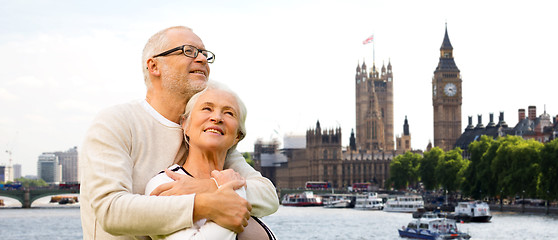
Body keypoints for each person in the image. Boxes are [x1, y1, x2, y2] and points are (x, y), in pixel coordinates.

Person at [79, 26, 279, 240]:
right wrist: (204, 204)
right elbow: (111, 211)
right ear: (154, 66)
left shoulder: (205, 135)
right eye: (189, 51)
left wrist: (208, 186)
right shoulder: (117, 122)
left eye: (204, 53)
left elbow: (267, 195)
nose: (202, 58)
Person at [144, 81, 275, 240]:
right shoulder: (165, 183)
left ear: (237, 137)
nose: (217, 117)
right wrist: (232, 190)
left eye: (229, 113)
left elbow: (270, 199)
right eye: (207, 108)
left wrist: (215, 187)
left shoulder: (238, 179)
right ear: (185, 124)